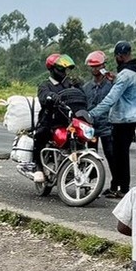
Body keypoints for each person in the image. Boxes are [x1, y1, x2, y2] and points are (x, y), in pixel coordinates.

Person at [89, 41, 136, 199]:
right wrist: (114, 79)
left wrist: (92, 114)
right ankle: (116, 185)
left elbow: (110, 100)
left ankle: (123, 188)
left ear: (120, 56)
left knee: (120, 155)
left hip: (122, 118)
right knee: (120, 154)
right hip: (135, 116)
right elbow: (130, 90)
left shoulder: (125, 75)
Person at [29, 53, 89, 184]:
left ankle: (86, 168)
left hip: (68, 120)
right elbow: (43, 96)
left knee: (85, 136)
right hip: (50, 120)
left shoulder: (70, 84)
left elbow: (81, 96)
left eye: (65, 69)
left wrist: (80, 88)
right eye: (61, 68)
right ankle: (38, 167)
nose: (64, 72)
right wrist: (50, 96)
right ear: (52, 69)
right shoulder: (45, 85)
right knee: (40, 134)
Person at [83, 50, 116, 194]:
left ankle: (116, 185)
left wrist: (112, 78)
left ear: (103, 66)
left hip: (107, 126)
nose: (94, 69)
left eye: (97, 66)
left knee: (111, 155)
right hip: (91, 127)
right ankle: (90, 186)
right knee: (90, 154)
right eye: (92, 66)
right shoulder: (86, 87)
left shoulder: (112, 84)